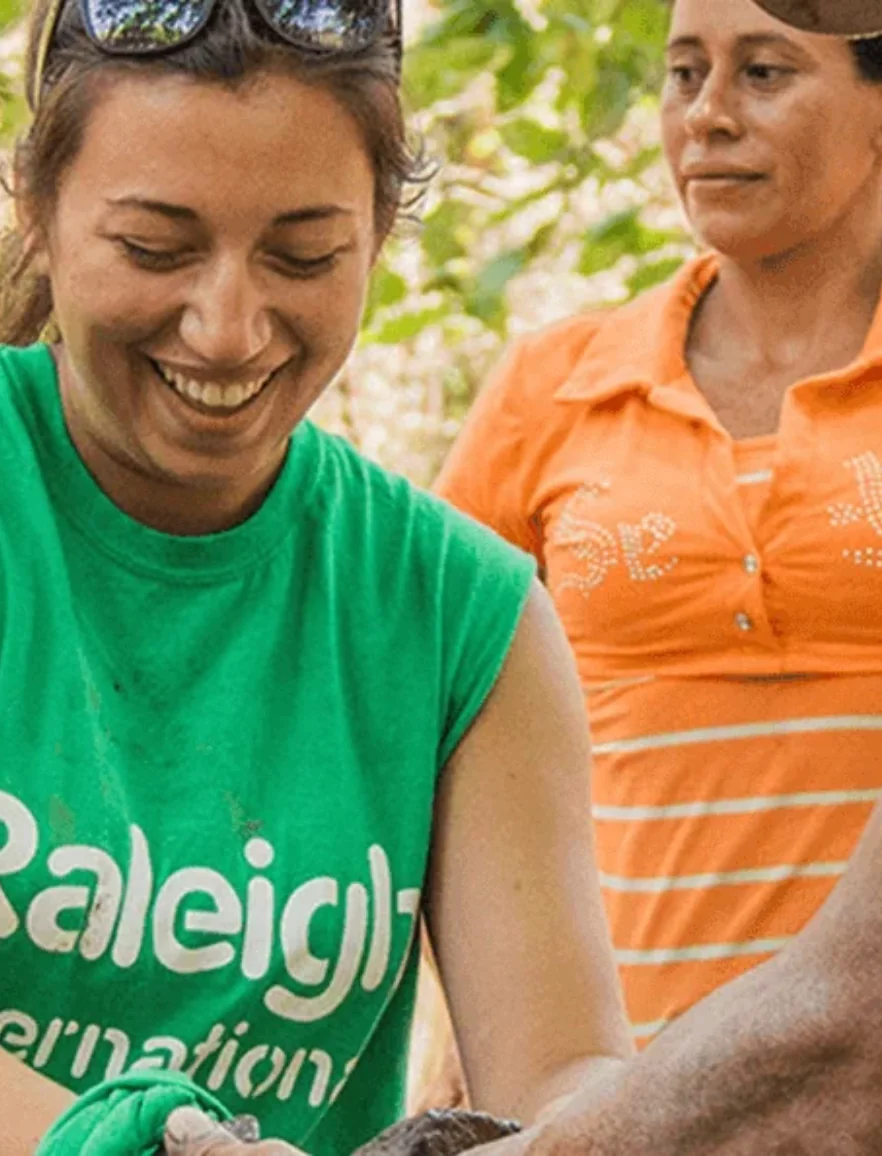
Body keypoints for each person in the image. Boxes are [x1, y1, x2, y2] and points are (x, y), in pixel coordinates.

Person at [0, 0, 634, 1150]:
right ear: (36, 209)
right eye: (155, 249)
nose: (230, 327)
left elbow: (559, 1067)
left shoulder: (459, 615)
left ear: (381, 237)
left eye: (304, 257)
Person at [473, 0, 882, 1152]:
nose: (708, 116)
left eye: (766, 72)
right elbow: (422, 726)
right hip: (638, 1095)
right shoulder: (556, 381)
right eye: (683, 75)